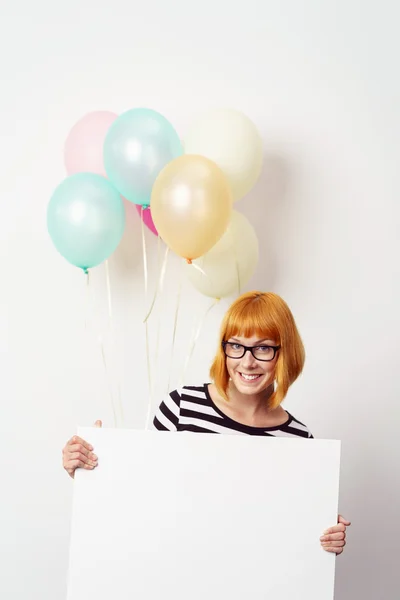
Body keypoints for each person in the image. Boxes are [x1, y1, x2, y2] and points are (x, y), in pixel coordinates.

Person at [62, 291, 350, 554]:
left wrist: (324, 536)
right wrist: (90, 472)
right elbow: (140, 496)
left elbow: (287, 534)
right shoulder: (181, 408)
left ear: (284, 354)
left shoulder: (299, 440)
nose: (247, 362)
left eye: (263, 349)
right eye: (236, 346)